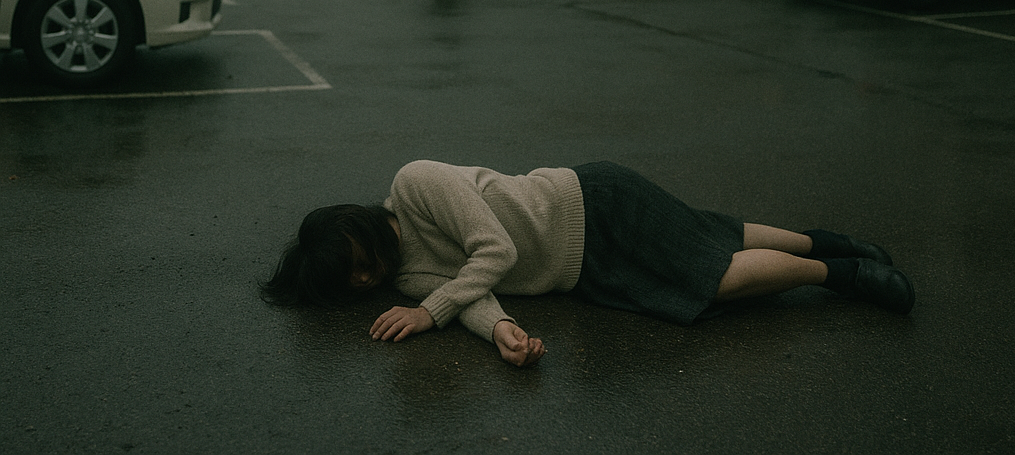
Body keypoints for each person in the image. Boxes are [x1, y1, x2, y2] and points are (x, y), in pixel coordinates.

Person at [262, 160, 915, 368]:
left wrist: (428, 314)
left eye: (354, 263)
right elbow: (473, 292)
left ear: (359, 229)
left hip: (592, 207)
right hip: (584, 266)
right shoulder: (405, 275)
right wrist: (499, 332)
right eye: (350, 285)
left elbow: (495, 251)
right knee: (714, 234)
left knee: (713, 275)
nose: (365, 281)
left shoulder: (416, 185)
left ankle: (842, 273)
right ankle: (830, 241)